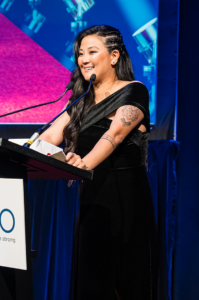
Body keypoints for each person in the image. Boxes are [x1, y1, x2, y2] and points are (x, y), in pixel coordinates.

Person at [39, 25, 157, 300]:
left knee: (128, 284)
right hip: (93, 204)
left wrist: (82, 164)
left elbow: (113, 135)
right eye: (81, 53)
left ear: (114, 56)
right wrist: (20, 152)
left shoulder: (134, 91)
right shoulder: (81, 99)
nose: (84, 59)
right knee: (92, 284)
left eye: (92, 51)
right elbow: (51, 136)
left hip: (127, 204)